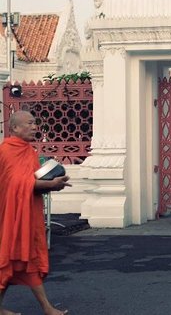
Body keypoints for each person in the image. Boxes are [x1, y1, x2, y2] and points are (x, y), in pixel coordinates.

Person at [0, 110, 71, 315]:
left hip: (28, 213)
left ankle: (46, 307)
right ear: (14, 128)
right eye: (29, 123)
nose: (34, 127)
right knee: (9, 258)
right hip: (11, 216)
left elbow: (30, 183)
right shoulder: (6, 150)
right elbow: (15, 183)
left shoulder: (29, 152)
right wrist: (48, 184)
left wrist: (52, 185)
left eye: (35, 123)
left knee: (22, 257)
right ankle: (47, 308)